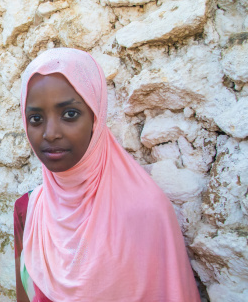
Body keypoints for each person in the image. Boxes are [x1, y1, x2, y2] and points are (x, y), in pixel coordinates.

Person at [14, 48, 200, 302]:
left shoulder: (145, 212)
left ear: (96, 118)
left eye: (70, 114)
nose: (50, 133)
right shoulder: (28, 211)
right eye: (35, 118)